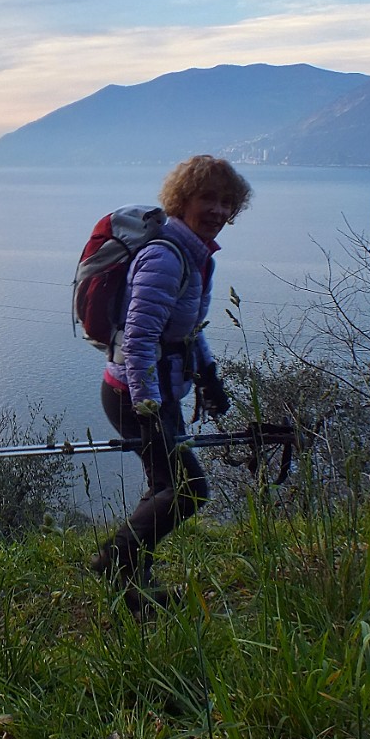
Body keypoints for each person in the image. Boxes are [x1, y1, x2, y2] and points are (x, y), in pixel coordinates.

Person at [90, 155, 252, 616]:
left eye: (226, 202)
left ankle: (131, 581)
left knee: (167, 484)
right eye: (208, 199)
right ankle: (114, 562)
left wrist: (209, 377)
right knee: (188, 489)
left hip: (158, 392)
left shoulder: (197, 255)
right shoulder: (165, 256)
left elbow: (187, 330)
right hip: (135, 395)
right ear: (182, 200)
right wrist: (147, 406)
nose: (219, 210)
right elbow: (139, 338)